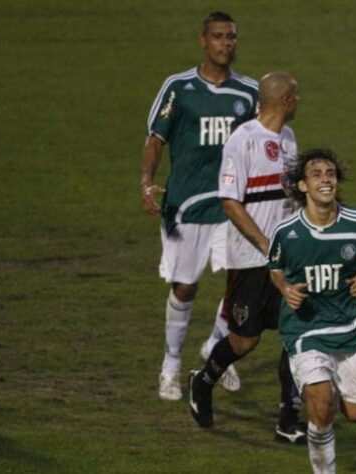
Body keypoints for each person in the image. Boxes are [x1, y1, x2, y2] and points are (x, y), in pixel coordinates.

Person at [140, 11, 257, 401]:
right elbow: (156, 138)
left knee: (239, 285)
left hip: (232, 206)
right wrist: (146, 181)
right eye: (219, 36)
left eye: (232, 37)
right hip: (186, 206)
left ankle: (215, 350)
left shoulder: (249, 93)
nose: (227, 43)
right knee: (185, 286)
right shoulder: (179, 87)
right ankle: (171, 363)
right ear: (203, 41)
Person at [188, 71, 308, 443]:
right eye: (296, 96)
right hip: (250, 260)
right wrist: (264, 244)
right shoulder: (243, 140)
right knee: (245, 341)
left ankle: (288, 421)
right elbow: (230, 202)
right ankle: (203, 382)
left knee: (298, 335)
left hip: (287, 260)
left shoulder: (288, 139)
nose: (299, 101)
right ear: (285, 101)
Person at [269, 149, 356, 473]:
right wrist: (286, 289)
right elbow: (275, 267)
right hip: (305, 330)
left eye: (330, 174)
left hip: (350, 327)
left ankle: (331, 384)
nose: (326, 179)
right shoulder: (287, 232)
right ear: (303, 186)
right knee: (321, 408)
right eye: (317, 174)